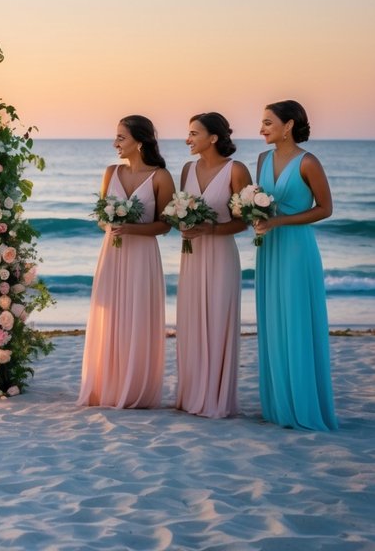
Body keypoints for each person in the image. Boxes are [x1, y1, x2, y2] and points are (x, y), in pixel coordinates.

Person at [78, 115, 173, 409]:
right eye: (116, 137)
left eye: (121, 137)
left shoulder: (161, 177)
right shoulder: (111, 172)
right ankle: (109, 385)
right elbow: (101, 221)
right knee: (111, 316)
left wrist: (131, 228)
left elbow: (165, 225)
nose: (115, 143)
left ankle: (135, 387)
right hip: (113, 253)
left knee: (138, 316)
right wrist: (111, 225)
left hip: (143, 255)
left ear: (139, 142)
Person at [253, 100, 337, 431]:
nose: (261, 129)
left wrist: (281, 221)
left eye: (268, 123)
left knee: (297, 319)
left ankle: (302, 403)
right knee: (273, 319)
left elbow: (325, 208)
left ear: (288, 126)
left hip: (296, 248)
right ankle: (278, 405)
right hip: (268, 248)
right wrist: (256, 216)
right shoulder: (262, 159)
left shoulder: (308, 162)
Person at [174, 112, 251, 418]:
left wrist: (211, 229)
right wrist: (181, 224)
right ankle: (192, 394)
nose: (188, 139)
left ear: (214, 138)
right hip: (191, 253)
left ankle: (216, 398)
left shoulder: (236, 170)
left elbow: (245, 221)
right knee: (191, 320)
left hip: (221, 253)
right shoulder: (187, 169)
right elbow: (178, 210)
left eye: (194, 133)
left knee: (218, 320)